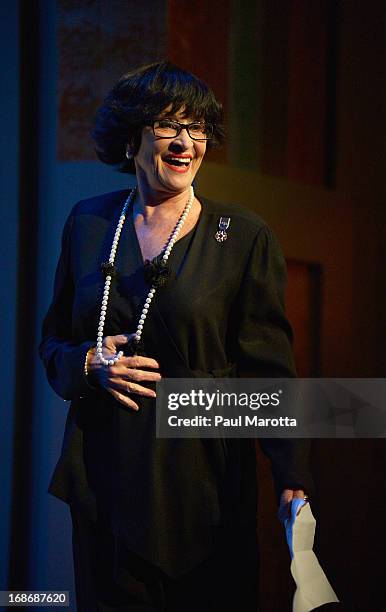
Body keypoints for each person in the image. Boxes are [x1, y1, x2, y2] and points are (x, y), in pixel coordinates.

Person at [40, 61, 314, 612]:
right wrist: (90, 365)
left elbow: (271, 370)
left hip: (201, 478)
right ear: (131, 137)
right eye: (170, 125)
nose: (187, 142)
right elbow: (54, 346)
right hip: (106, 471)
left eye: (199, 128)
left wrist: (293, 476)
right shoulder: (88, 224)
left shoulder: (243, 236)